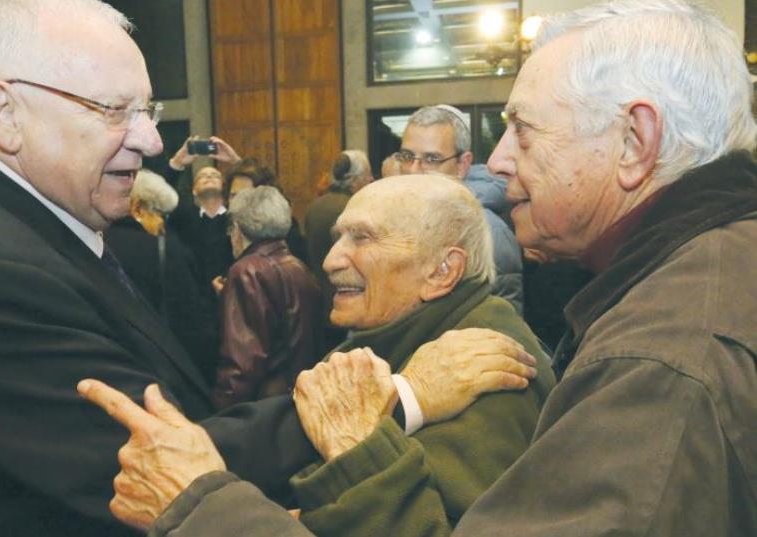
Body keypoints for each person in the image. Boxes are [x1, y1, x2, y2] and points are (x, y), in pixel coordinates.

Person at [82, 0, 756, 535]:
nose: (501, 162)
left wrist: (207, 506)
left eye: (522, 129)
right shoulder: (690, 285)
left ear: (635, 142)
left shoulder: (665, 357)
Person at [80, 174, 556, 532]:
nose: (331, 261)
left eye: (363, 238)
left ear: (441, 271)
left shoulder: (489, 365)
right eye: (337, 237)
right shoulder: (403, 343)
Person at [392, 105, 525, 314]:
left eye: (432, 159)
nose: (414, 170)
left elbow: (501, 328)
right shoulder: (389, 219)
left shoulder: (490, 234)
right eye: (407, 156)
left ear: (463, 165)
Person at [211, 186, 324, 410]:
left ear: (238, 228)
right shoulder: (297, 266)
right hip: (298, 399)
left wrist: (220, 414)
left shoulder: (246, 271)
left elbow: (242, 363)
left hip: (262, 408)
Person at [105, 169, 218, 379]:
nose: (163, 223)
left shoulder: (96, 243)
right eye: (160, 214)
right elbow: (191, 324)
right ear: (138, 208)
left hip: (111, 362)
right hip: (157, 368)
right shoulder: (168, 251)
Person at [304, 150, 373, 348]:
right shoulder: (354, 210)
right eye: (367, 178)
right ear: (354, 182)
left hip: (320, 305)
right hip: (350, 305)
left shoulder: (314, 206)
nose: (370, 182)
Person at [165, 135, 240, 284]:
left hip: (234, 291)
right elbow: (161, 194)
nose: (209, 177)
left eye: (215, 175)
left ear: (225, 187)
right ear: (194, 190)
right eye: (202, 176)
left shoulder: (238, 215)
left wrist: (235, 160)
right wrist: (177, 163)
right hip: (192, 296)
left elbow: (259, 194)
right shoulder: (183, 217)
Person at [224, 156, 309, 263]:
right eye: (233, 195)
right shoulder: (229, 227)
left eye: (245, 196)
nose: (237, 201)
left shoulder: (284, 229)